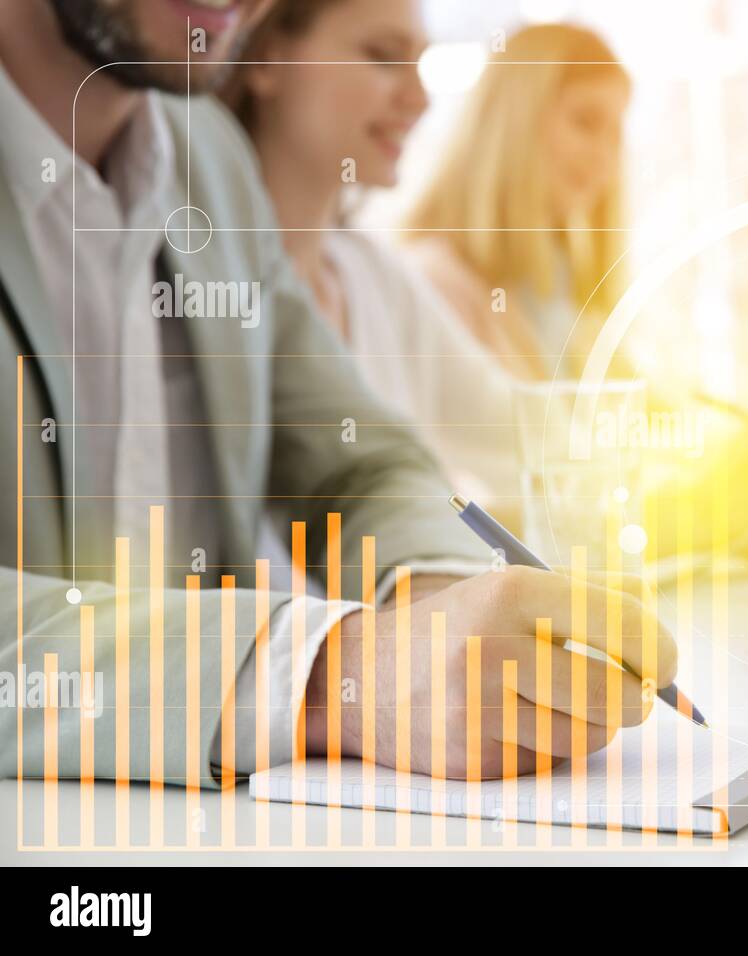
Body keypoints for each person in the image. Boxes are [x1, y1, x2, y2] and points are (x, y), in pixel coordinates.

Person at [0, 0, 670, 786]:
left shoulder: (206, 160)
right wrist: (335, 678)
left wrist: (441, 602)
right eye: (382, 54)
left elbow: (358, 461)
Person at [400, 23, 748, 564]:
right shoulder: (430, 289)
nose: (605, 154)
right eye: (585, 122)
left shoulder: (566, 298)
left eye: (615, 131)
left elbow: (651, 450)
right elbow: (496, 510)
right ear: (512, 125)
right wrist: (711, 513)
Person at [223, 0, 516, 502]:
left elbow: (509, 425)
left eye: (420, 64)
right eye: (384, 56)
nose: (419, 98)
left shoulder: (375, 276)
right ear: (266, 59)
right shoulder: (200, 287)